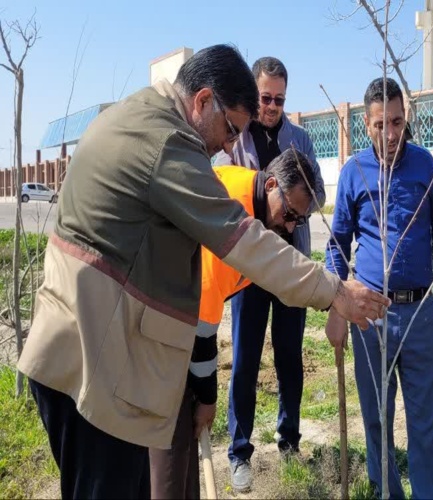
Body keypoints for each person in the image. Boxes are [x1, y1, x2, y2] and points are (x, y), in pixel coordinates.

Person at [16, 44, 389, 500]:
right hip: (92, 367)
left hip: (88, 357)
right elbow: (243, 241)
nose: (229, 146)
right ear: (202, 100)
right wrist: (334, 291)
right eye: (230, 129)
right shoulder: (169, 144)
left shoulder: (140, 113)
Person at [325, 76, 433, 499]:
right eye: (380, 124)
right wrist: (337, 308)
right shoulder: (354, 173)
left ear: (406, 120)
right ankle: (387, 491)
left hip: (421, 312)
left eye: (397, 122)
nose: (390, 134)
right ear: (365, 125)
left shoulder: (425, 165)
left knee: (425, 421)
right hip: (370, 316)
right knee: (377, 418)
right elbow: (337, 245)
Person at [149, 150, 317, 499]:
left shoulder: (258, 209)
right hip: (159, 317)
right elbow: (204, 326)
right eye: (288, 214)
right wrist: (207, 397)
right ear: (271, 184)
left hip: (179, 312)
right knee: (168, 447)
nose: (289, 226)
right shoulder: (236, 219)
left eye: (298, 221)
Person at [213, 56, 324, 492]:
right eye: (266, 97)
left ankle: (289, 440)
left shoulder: (301, 139)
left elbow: (312, 197)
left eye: (279, 98)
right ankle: (239, 450)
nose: (272, 106)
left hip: (290, 266)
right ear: (254, 93)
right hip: (247, 270)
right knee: (244, 359)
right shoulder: (234, 139)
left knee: (290, 358)